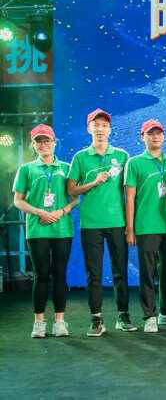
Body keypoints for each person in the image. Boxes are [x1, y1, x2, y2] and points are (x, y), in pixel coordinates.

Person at [67, 108, 136, 336]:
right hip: (91, 224)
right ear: (89, 129)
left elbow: (129, 193)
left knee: (120, 271)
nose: (100, 129)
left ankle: (123, 315)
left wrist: (130, 226)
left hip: (117, 222)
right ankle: (96, 319)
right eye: (95, 125)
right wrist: (93, 183)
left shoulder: (122, 156)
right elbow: (71, 190)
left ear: (110, 130)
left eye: (104, 125)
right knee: (94, 274)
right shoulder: (80, 157)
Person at [13, 124, 79, 338]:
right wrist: (39, 212)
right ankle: (39, 323)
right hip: (37, 230)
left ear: (54, 142)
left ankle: (59, 322)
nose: (43, 144)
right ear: (33, 145)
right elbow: (18, 201)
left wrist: (62, 211)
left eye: (47, 140)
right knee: (41, 275)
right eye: (38, 141)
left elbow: (76, 197)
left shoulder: (67, 168)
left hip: (62, 230)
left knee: (60, 275)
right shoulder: (26, 169)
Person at [124, 119, 166, 333]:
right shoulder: (135, 163)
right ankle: (149, 315)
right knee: (148, 273)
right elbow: (129, 198)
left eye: (158, 133)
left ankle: (165, 312)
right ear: (143, 137)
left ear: (164, 136)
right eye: (150, 133)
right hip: (146, 226)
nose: (155, 136)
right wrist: (130, 228)